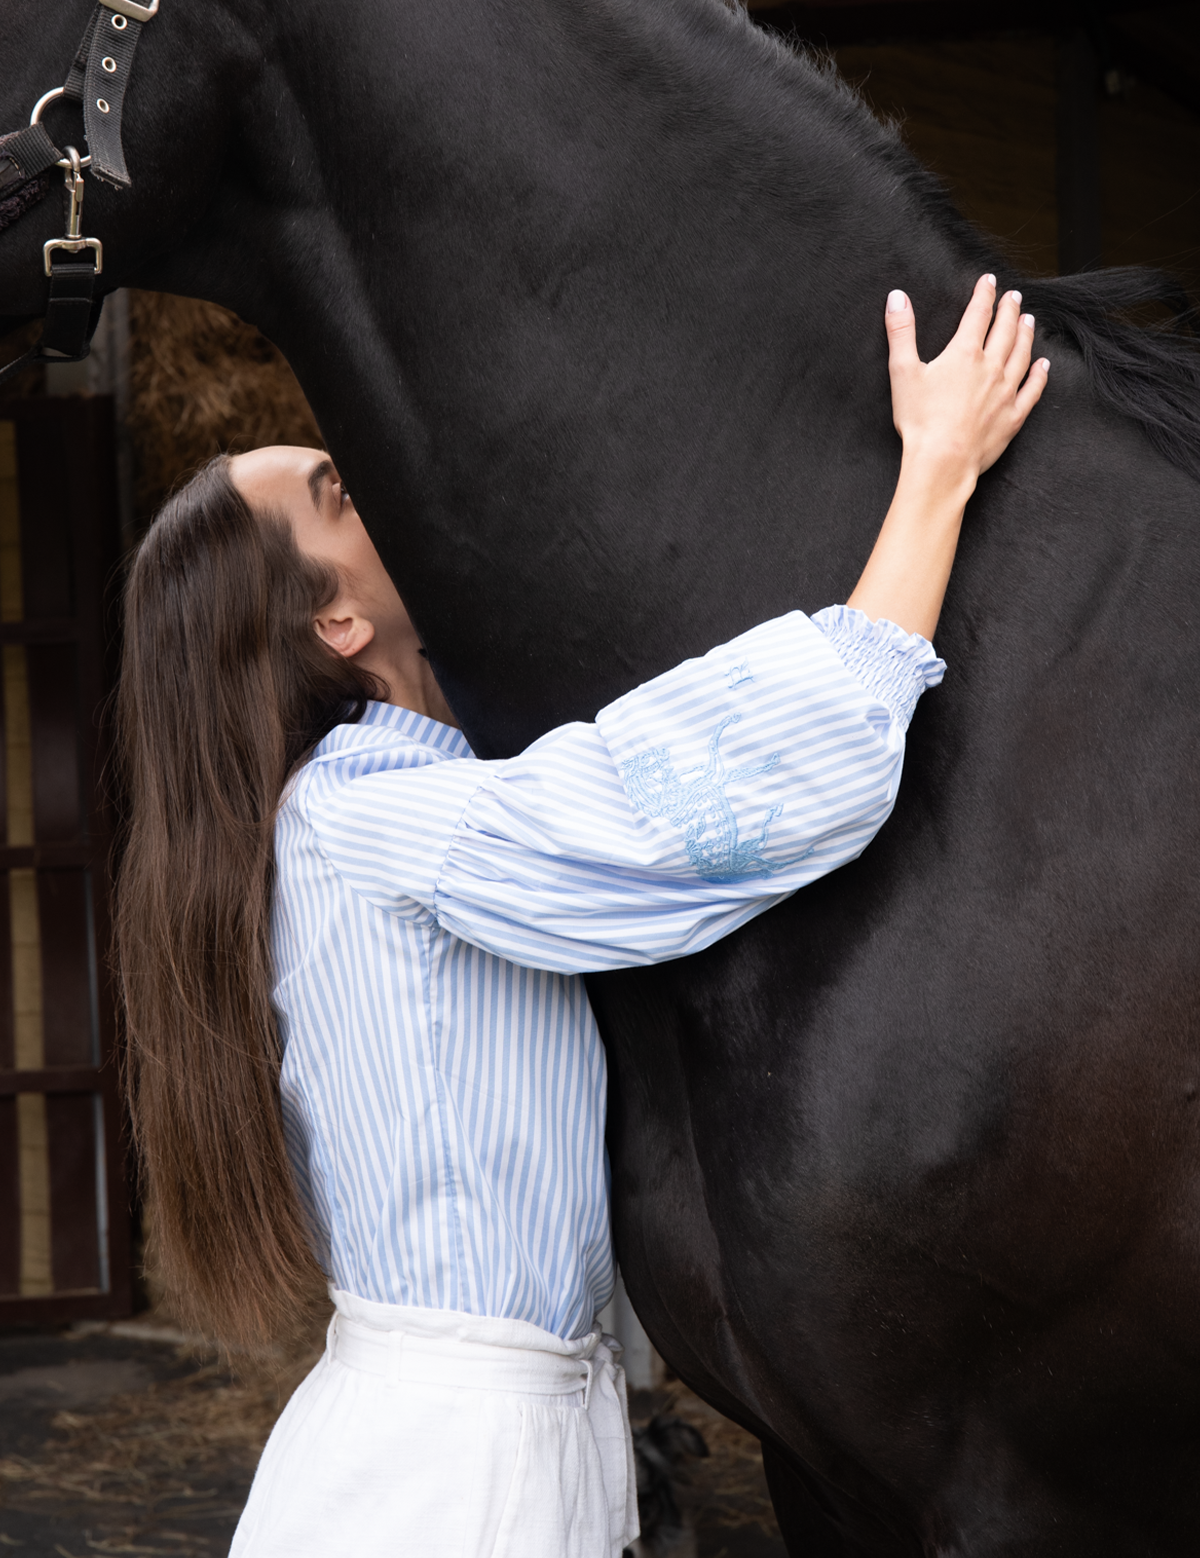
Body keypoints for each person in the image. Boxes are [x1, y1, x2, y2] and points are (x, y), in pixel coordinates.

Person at [114, 278, 1047, 1558]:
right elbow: (677, 804)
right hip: (445, 1479)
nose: (374, 477)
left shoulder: (394, 804)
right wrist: (934, 474)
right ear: (337, 621)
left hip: (498, 1445)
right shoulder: (361, 816)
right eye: (339, 493)